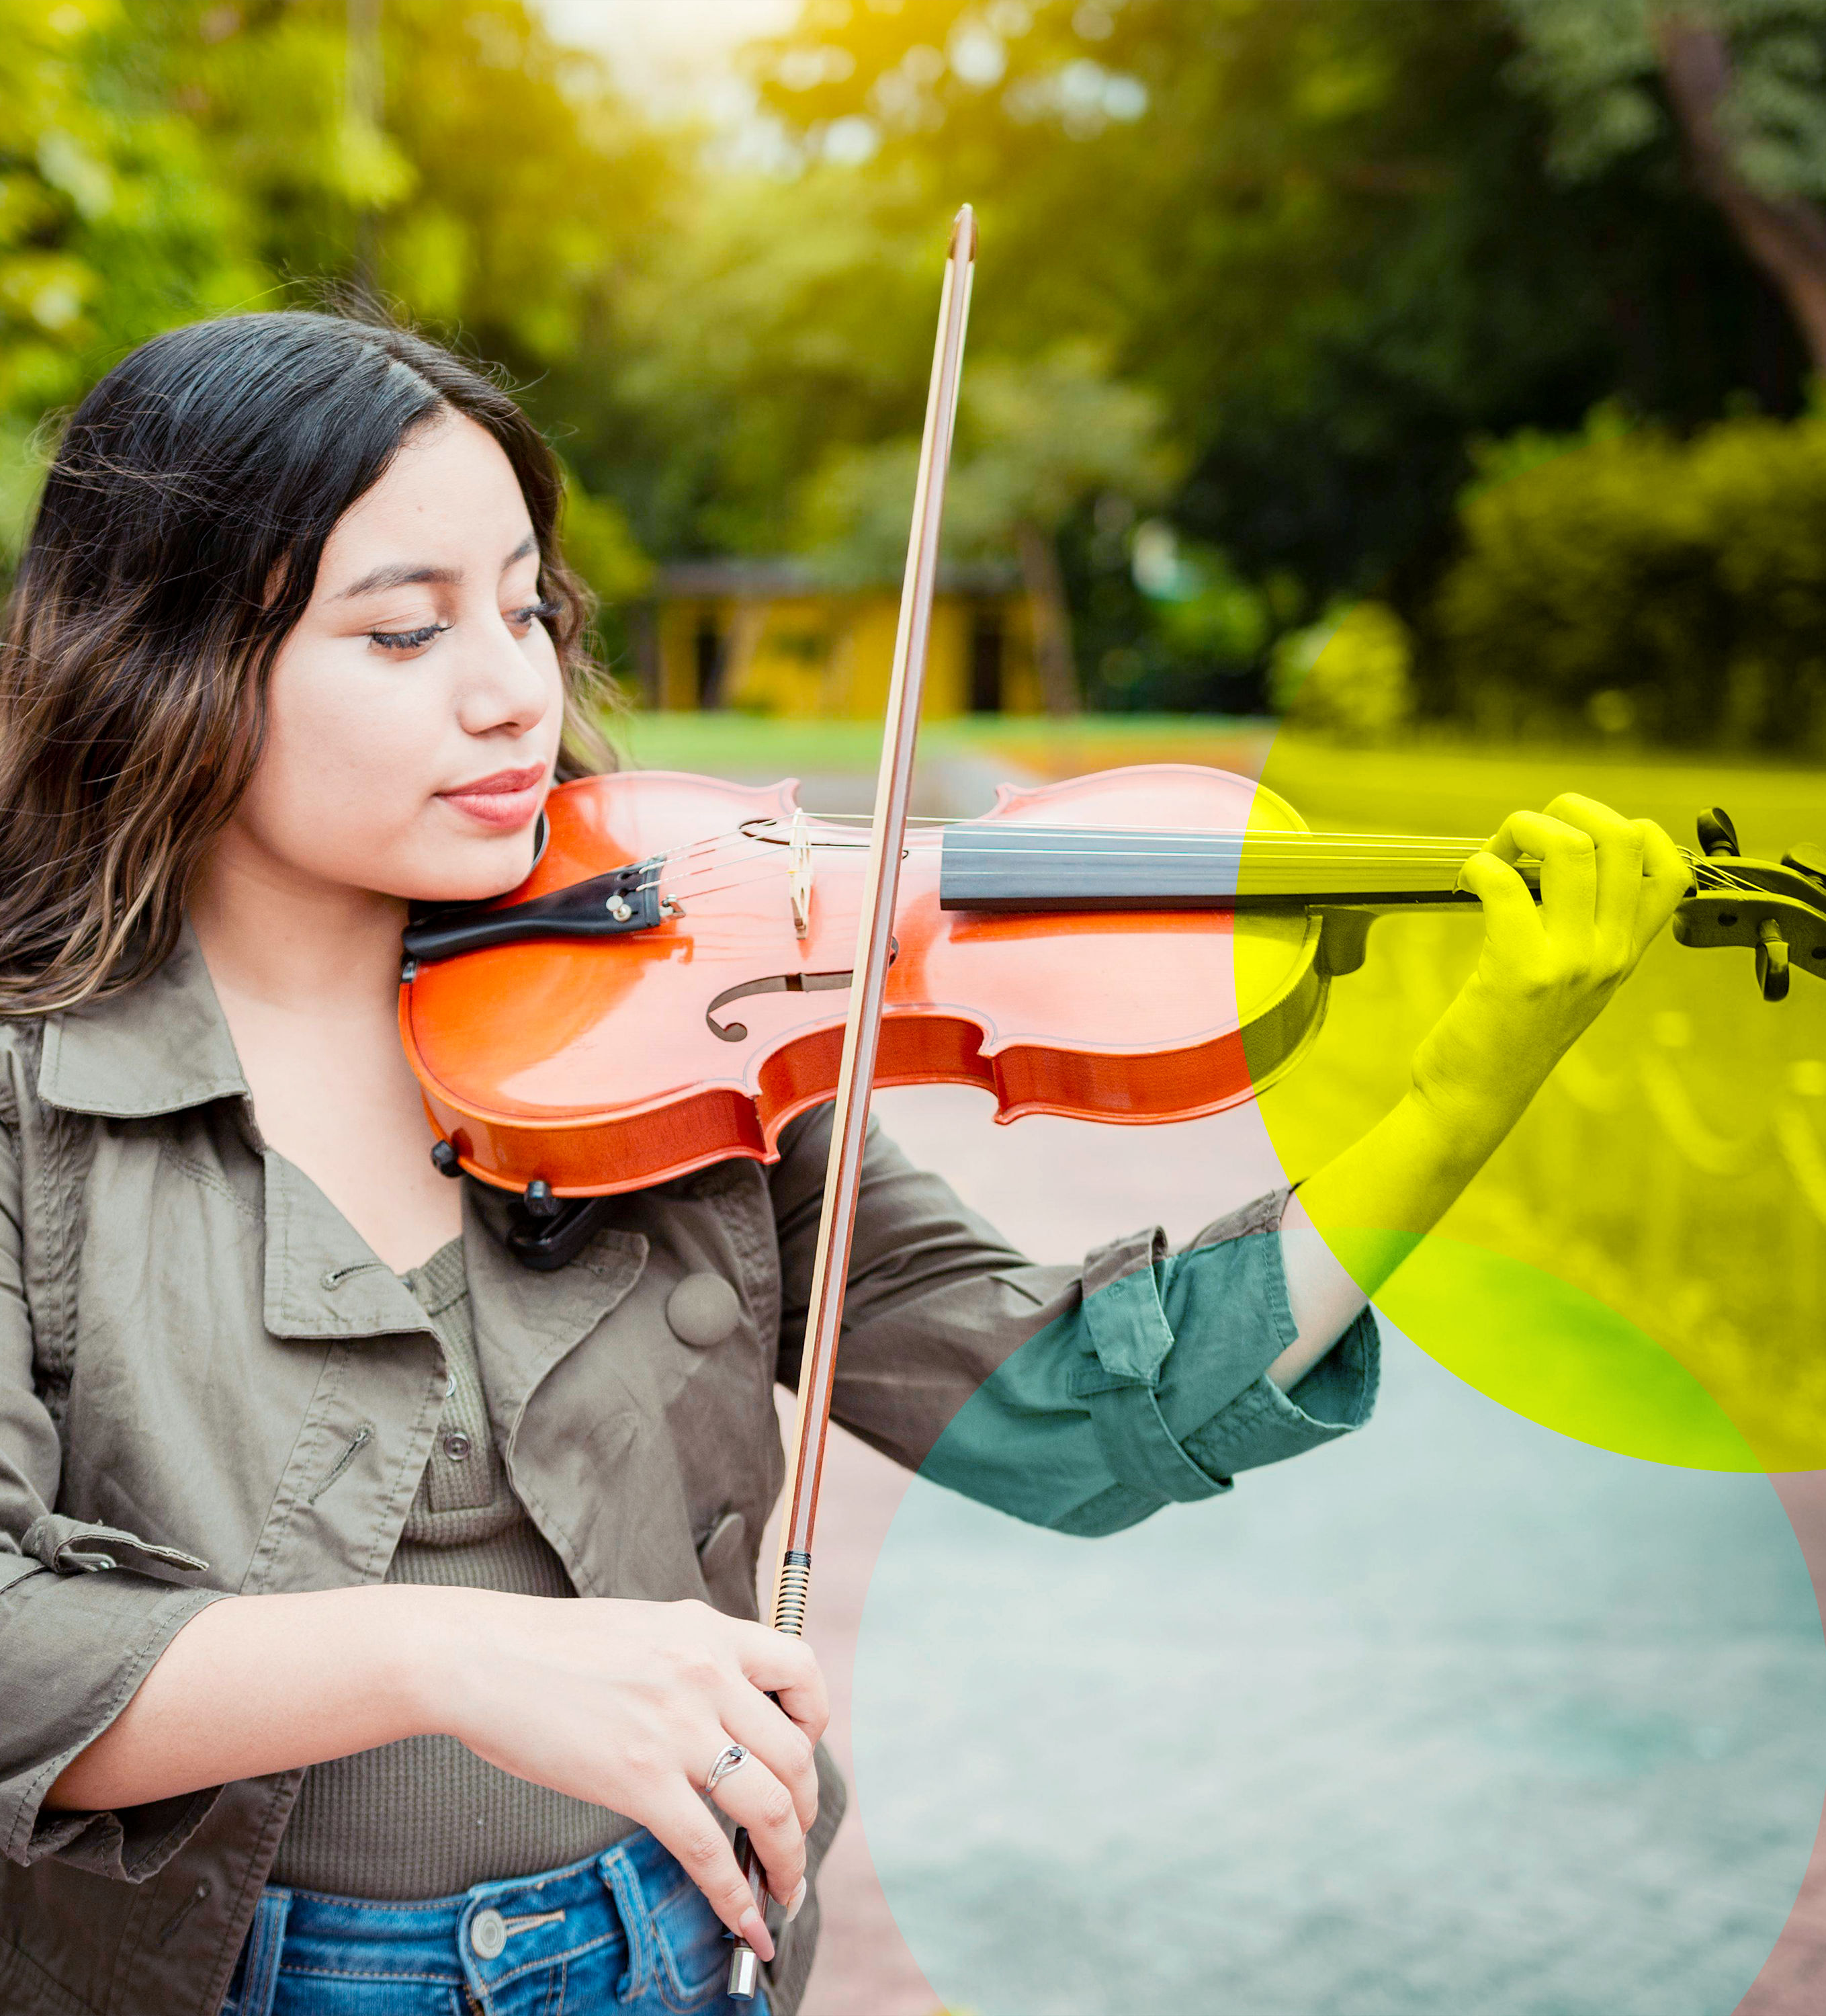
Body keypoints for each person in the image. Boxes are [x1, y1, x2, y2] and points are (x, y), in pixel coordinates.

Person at [0, 312, 1692, 2016]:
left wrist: (1482, 1071)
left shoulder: (676, 1016)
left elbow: (1077, 1415)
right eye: (405, 631)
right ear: (172, 662)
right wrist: (457, 1660)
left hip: (667, 1960)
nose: (515, 685)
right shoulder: (26, 1093)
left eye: (523, 604)